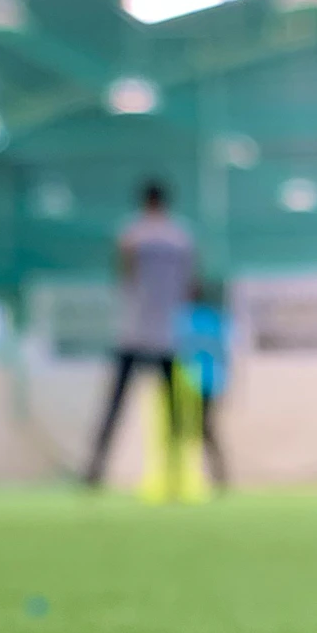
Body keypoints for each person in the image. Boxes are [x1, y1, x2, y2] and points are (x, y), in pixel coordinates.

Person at [84, 179, 195, 486]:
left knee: (114, 407)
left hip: (132, 332)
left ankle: (95, 470)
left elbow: (124, 275)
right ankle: (176, 473)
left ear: (144, 201)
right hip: (167, 334)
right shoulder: (181, 236)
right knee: (173, 410)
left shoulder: (131, 234)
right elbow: (189, 284)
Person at [177, 276, 231, 490]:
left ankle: (213, 477)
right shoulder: (213, 319)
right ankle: (214, 476)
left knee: (201, 428)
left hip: (196, 382)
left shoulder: (183, 319)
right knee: (204, 429)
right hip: (209, 381)